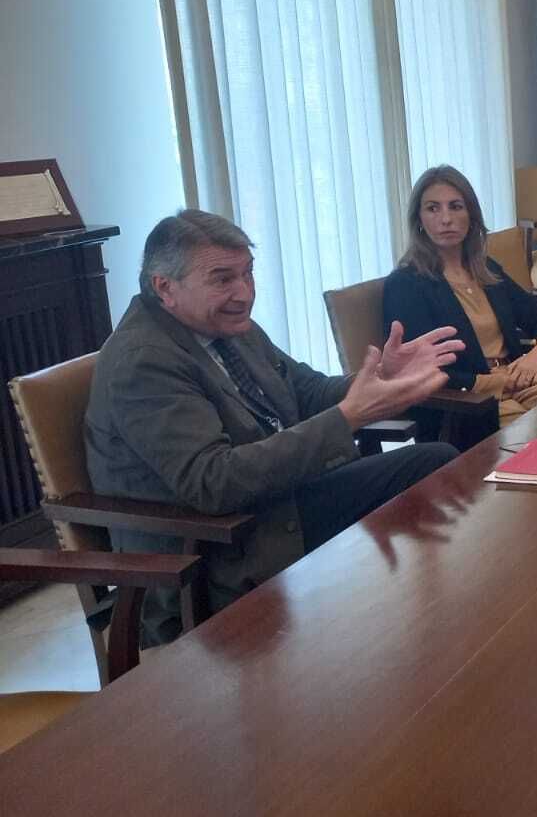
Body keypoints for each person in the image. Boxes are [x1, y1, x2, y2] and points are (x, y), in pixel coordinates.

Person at [86, 209, 464, 645]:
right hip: (217, 552)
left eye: (248, 274)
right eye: (222, 278)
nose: (243, 293)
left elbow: (305, 392)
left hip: (277, 503)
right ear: (164, 288)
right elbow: (214, 482)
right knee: (431, 469)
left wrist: (377, 380)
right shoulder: (144, 361)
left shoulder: (228, 326)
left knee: (436, 460)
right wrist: (350, 416)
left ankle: (430, 621)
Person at [383, 165, 537, 426]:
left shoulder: (486, 271)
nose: (446, 219)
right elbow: (419, 370)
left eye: (456, 206)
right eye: (433, 208)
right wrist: (502, 380)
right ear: (418, 220)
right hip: (468, 403)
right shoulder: (406, 284)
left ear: (471, 215)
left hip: (519, 380)